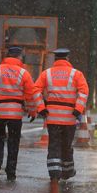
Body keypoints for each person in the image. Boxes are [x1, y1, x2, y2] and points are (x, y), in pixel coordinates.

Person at [32, 48, 89, 180]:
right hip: (69, 117)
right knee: (66, 145)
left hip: (52, 117)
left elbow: (35, 90)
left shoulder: (47, 73)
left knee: (54, 145)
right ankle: (67, 171)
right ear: (67, 59)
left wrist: (41, 108)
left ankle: (54, 174)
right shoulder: (76, 74)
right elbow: (83, 92)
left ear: (55, 60)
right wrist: (78, 109)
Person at [0, 46, 36, 180]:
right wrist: (32, 110)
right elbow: (30, 94)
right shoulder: (24, 73)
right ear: (19, 57)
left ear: (7, 56)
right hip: (15, 114)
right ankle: (11, 171)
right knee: (14, 141)